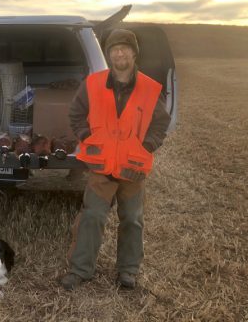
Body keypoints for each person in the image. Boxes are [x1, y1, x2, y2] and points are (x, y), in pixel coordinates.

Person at [61, 29, 171, 290]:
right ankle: (80, 270)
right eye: (114, 49)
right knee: (92, 217)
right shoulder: (93, 83)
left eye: (124, 48)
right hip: (101, 166)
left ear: (134, 53)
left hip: (132, 169)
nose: (119, 53)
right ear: (108, 54)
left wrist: (147, 145)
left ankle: (128, 271)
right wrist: (86, 136)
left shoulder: (150, 88)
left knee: (132, 220)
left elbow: (161, 123)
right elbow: (76, 113)